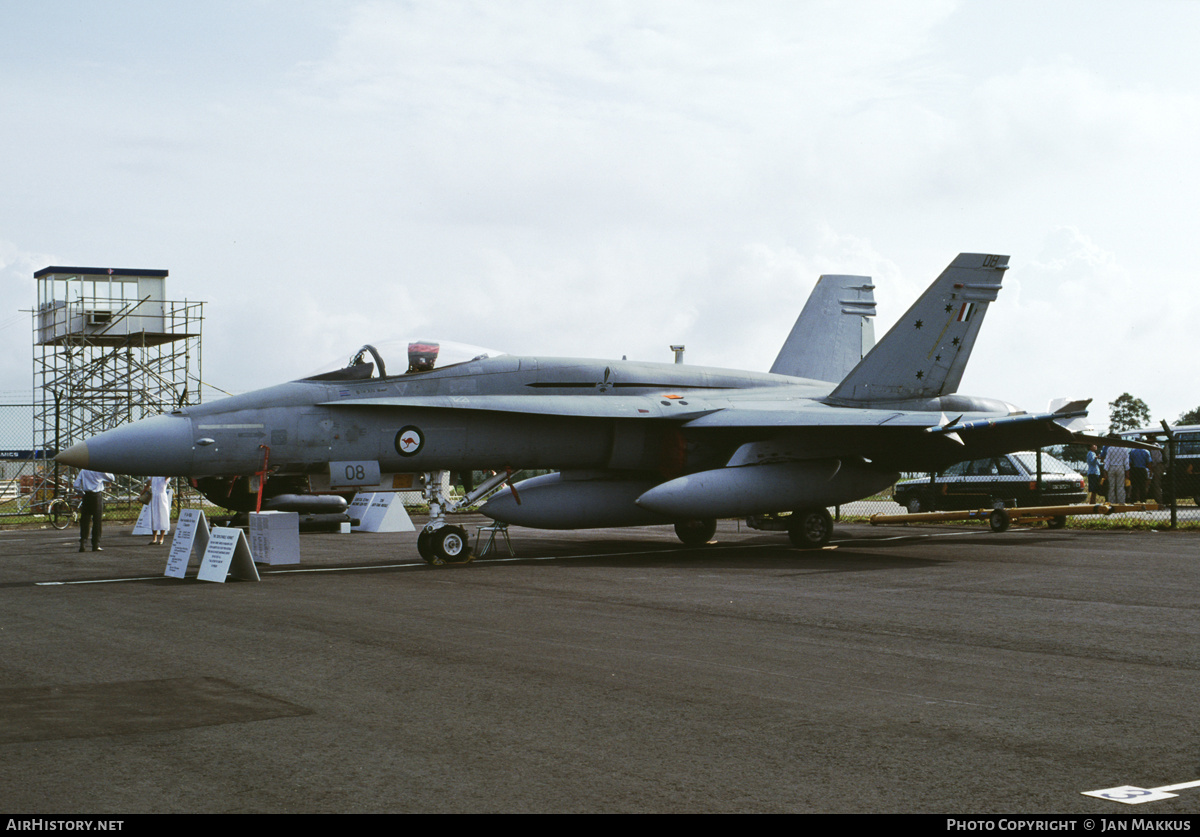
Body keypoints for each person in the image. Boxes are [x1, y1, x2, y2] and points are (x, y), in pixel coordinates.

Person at [73, 469, 115, 552]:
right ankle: (95, 544)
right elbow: (112, 478)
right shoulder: (99, 469)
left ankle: (83, 542)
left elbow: (76, 485)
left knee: (85, 520)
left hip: (86, 496)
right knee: (97, 521)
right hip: (96, 496)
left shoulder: (83, 470)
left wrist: (81, 493)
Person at [144, 476, 172, 545]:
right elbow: (147, 486)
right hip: (154, 498)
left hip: (162, 497)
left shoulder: (164, 477)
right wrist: (141, 495)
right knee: (154, 517)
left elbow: (168, 475)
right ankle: (154, 538)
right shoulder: (152, 477)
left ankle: (161, 538)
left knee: (163, 516)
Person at [1104, 439, 1129, 505]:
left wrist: (1105, 470)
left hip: (1111, 467)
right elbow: (1126, 461)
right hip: (1120, 466)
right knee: (1120, 486)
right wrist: (1127, 470)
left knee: (1111, 486)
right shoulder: (1124, 449)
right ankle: (1121, 502)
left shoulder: (1110, 448)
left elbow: (1107, 460)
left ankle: (1112, 502)